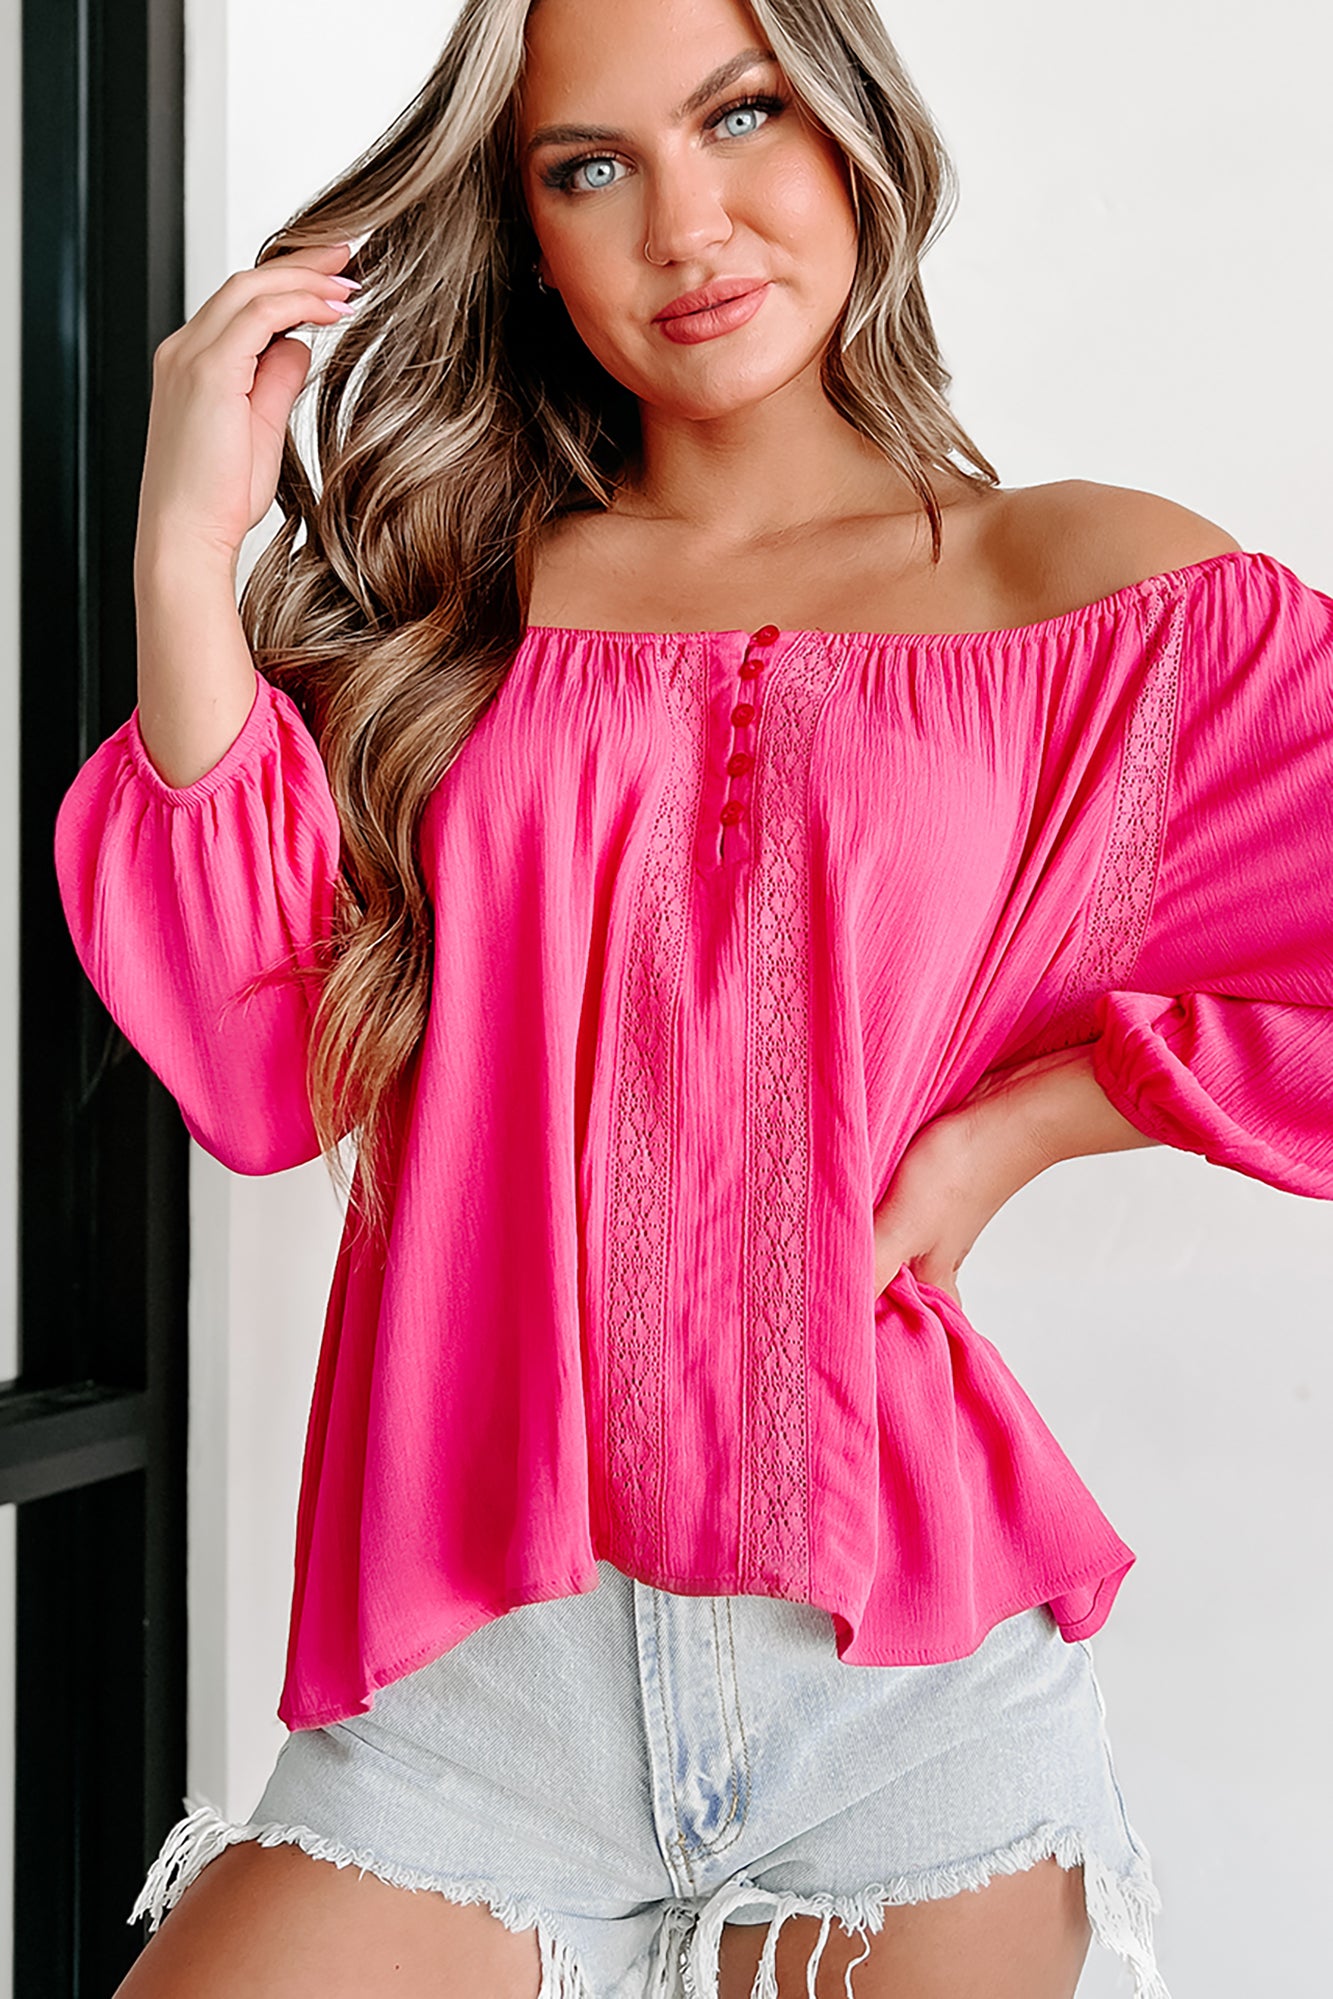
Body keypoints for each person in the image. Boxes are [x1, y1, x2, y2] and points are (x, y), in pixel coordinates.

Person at [52, 0, 1333, 1995]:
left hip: (899, 1687)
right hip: (471, 1681)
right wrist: (185, 546)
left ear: (849, 129)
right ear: (526, 231)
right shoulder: (440, 611)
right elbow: (253, 1064)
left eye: (740, 118)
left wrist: (1025, 1126)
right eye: (591, 167)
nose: (686, 227)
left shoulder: (1082, 592)